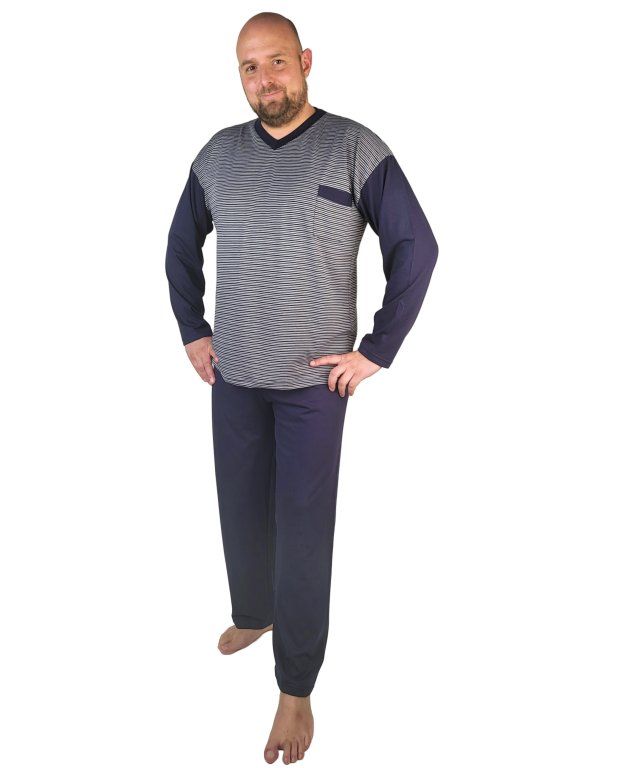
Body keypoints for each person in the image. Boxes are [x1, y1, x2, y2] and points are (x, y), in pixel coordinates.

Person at [165, 12, 438, 765]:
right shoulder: (218, 155)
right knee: (240, 505)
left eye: (277, 62)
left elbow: (416, 246)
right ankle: (255, 611)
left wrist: (376, 351)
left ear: (306, 61)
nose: (265, 80)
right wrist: (193, 329)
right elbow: (180, 246)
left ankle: (296, 686)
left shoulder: (354, 147)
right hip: (233, 375)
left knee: (304, 529)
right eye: (250, 67)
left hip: (314, 385)